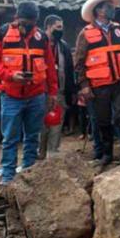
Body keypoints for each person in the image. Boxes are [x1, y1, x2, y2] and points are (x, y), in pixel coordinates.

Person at [0, 2, 59, 184]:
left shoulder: (41, 37)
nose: (28, 26)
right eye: (25, 22)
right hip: (11, 96)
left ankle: (27, 173)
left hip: (36, 95)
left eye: (32, 23)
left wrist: (52, 93)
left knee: (32, 137)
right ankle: (8, 176)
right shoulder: (1, 34)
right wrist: (11, 76)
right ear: (17, 17)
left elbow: (50, 68)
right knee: (10, 138)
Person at [74, 0, 120, 166]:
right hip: (98, 84)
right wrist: (84, 85)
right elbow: (78, 62)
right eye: (108, 6)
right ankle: (107, 155)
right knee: (102, 120)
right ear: (99, 10)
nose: (112, 9)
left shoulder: (119, 29)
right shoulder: (85, 33)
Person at [38, 15, 75, 159]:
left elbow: (69, 70)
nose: (61, 30)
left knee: (56, 122)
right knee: (41, 124)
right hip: (40, 91)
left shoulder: (64, 46)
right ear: (48, 27)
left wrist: (71, 92)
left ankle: (53, 152)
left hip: (59, 90)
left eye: (62, 27)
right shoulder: (38, 42)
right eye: (58, 27)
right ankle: (39, 154)